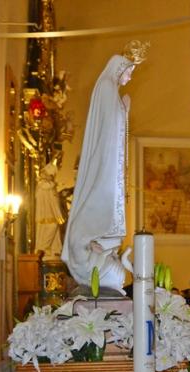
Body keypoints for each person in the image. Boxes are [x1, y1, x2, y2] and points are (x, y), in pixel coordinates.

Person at [61, 41, 149, 293]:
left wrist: (124, 110)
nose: (130, 77)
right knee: (102, 195)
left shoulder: (109, 88)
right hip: (106, 157)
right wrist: (123, 111)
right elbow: (109, 126)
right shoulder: (108, 87)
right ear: (119, 68)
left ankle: (102, 247)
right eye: (129, 71)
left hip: (110, 156)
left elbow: (113, 122)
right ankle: (94, 241)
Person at [35, 157, 65, 257]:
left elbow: (54, 199)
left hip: (51, 212)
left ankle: (54, 250)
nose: (51, 177)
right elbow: (48, 196)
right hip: (46, 213)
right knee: (52, 226)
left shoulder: (50, 186)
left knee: (55, 230)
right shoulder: (43, 185)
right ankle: (43, 247)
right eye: (50, 175)